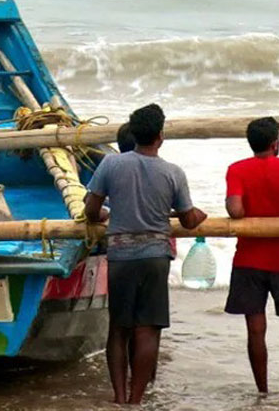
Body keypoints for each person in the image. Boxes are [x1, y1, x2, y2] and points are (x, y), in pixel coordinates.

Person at [84, 103, 207, 405]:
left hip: (120, 256)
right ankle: (137, 400)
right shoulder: (173, 172)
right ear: (160, 136)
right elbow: (189, 219)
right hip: (155, 256)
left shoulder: (111, 165)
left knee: (119, 329)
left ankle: (119, 396)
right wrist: (200, 215)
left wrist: (104, 216)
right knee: (148, 330)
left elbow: (90, 210)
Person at [224, 116, 279, 396]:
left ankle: (262, 390)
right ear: (276, 143)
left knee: (255, 329)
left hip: (248, 258)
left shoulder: (237, 169)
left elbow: (236, 211)